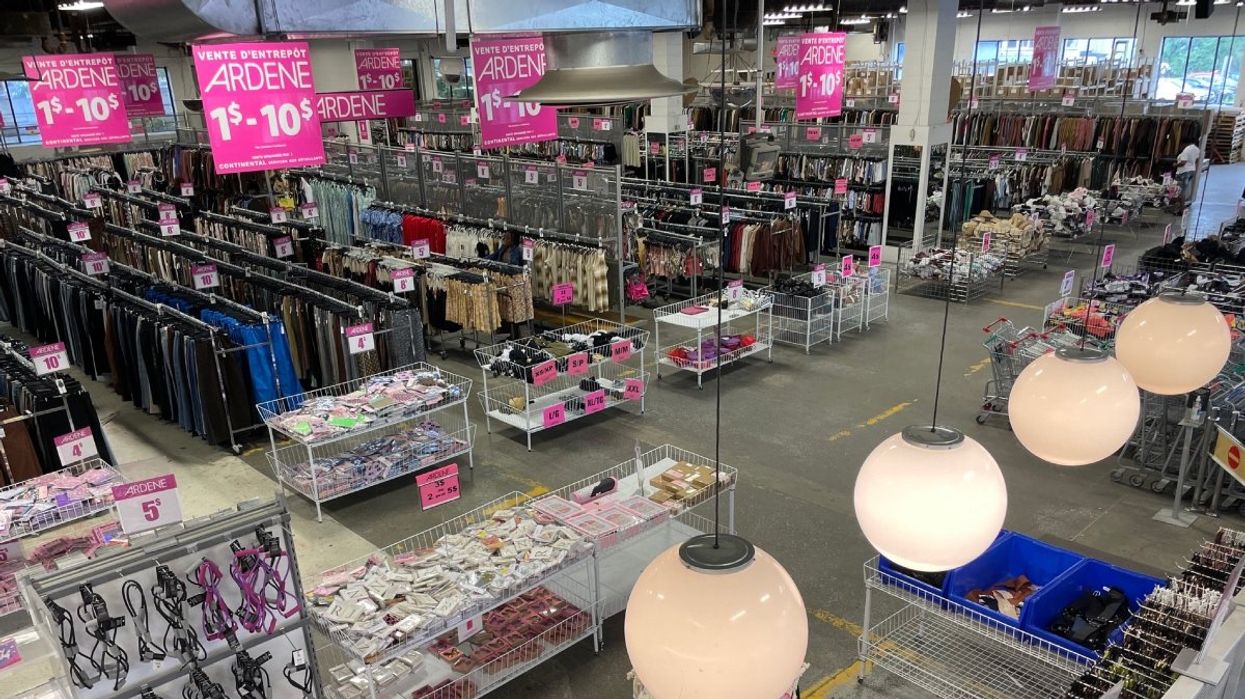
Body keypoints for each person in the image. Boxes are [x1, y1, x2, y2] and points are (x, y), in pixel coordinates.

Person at [1175, 137, 1201, 204]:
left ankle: (1181, 209)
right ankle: (1180, 206)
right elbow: (1197, 160)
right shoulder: (1197, 149)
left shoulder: (1186, 150)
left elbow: (1183, 162)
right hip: (1192, 170)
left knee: (1180, 190)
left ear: (1184, 144)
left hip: (1184, 172)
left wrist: (1175, 165)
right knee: (1183, 189)